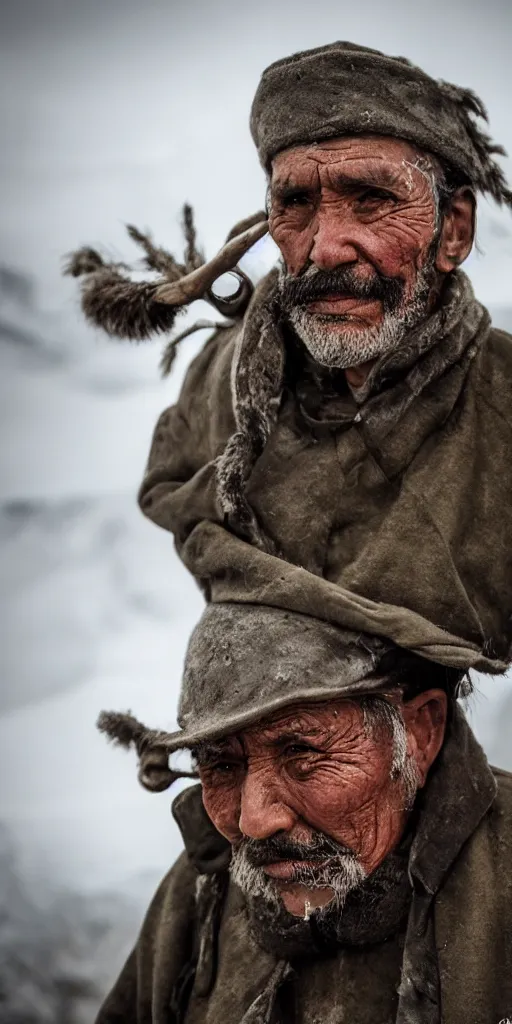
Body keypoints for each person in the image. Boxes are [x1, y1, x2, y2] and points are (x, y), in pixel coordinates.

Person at [67, 41, 512, 675]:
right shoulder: (224, 385)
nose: (325, 247)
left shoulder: (503, 406)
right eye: (296, 204)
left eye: (373, 199)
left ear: (455, 230)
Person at [95, 602, 512, 1024]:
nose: (253, 823)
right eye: (221, 765)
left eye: (302, 752)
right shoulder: (198, 892)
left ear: (421, 731)